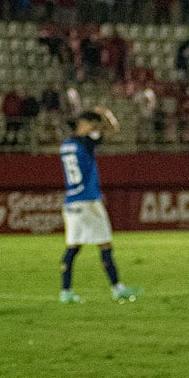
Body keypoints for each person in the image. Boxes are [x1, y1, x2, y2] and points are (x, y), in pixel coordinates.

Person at [58, 106, 140, 303]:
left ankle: (65, 292)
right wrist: (105, 113)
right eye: (92, 124)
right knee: (105, 245)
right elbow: (113, 130)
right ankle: (117, 289)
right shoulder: (86, 142)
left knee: (72, 247)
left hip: (71, 202)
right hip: (89, 201)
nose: (94, 128)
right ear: (83, 124)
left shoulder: (66, 145)